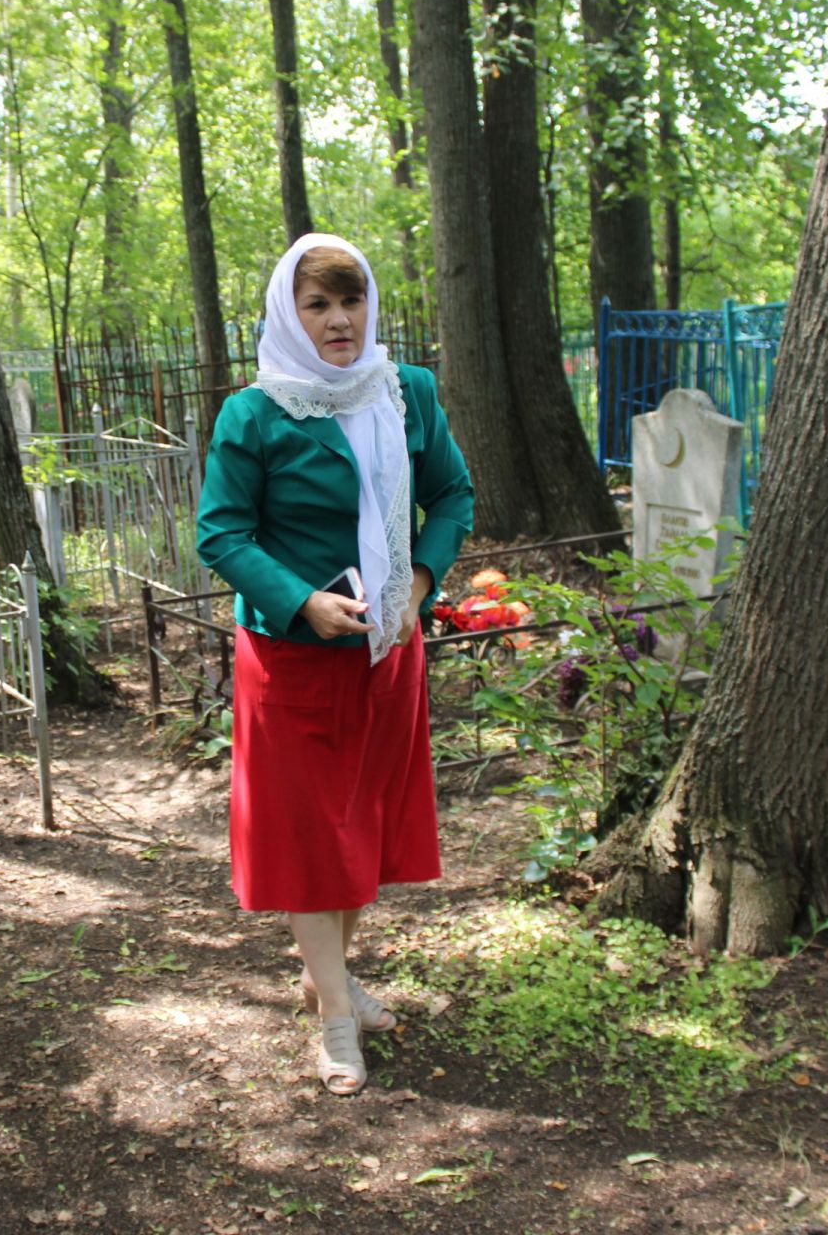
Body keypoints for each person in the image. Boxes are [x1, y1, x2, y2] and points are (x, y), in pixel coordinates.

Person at [195, 233, 473, 1095]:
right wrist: (301, 601)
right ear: (290, 312)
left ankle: (331, 974)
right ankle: (336, 1016)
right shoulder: (256, 413)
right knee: (311, 833)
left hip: (386, 647)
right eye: (318, 305)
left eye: (350, 301)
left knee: (359, 826)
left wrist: (420, 578)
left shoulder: (407, 392)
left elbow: (453, 493)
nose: (339, 320)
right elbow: (222, 533)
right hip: (292, 658)